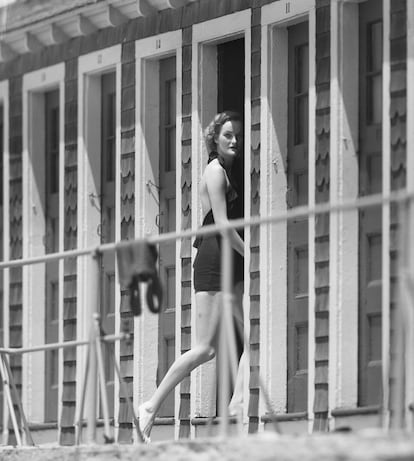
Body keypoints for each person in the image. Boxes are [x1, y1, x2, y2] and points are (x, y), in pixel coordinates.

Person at [138, 111, 246, 442]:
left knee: (251, 331)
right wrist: (254, 254)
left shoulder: (226, 171)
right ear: (215, 138)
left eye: (238, 136)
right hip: (215, 259)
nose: (234, 141)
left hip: (229, 261)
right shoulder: (215, 171)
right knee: (205, 349)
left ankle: (237, 405)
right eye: (228, 135)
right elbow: (223, 226)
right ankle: (150, 406)